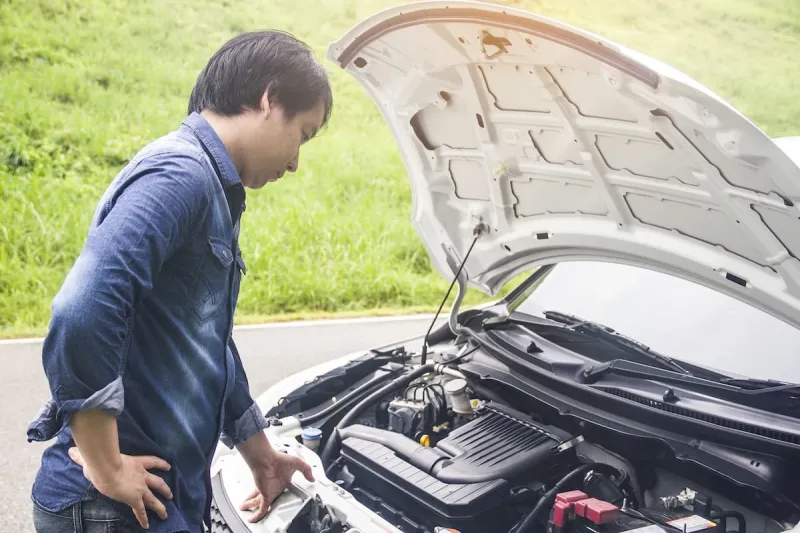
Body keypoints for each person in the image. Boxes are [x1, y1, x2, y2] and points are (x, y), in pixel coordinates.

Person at [26, 29, 333, 533]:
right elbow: (82, 311)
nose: (297, 161)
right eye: (303, 133)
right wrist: (105, 465)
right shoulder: (181, 175)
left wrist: (261, 455)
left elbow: (203, 343)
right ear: (269, 99)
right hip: (113, 511)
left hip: (155, 504)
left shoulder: (214, 188)